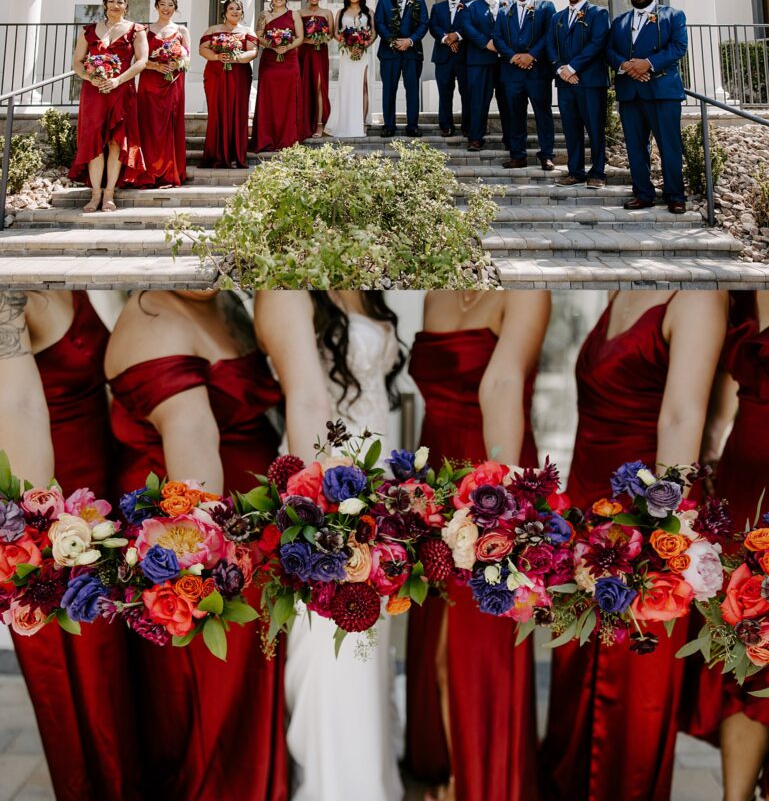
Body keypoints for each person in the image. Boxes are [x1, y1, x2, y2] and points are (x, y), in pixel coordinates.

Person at [542, 289, 728, 801]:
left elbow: (681, 420)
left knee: (630, 704)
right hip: (583, 526)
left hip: (640, 536)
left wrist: (656, 544)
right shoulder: (622, 286)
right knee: (571, 693)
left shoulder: (696, 297)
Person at [105, 290, 289, 801]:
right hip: (199, 550)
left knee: (246, 700)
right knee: (209, 707)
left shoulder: (224, 300)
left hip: (248, 540)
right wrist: (204, 570)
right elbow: (194, 448)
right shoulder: (152, 319)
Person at [256, 291, 406, 801]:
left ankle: (373, 782)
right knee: (336, 656)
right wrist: (325, 523)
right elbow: (306, 400)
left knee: (369, 653)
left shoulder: (362, 281)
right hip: (328, 495)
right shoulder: (286, 288)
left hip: (379, 495)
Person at [406, 290, 551, 801]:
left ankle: (482, 780)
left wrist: (499, 499)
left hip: (492, 463)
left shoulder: (529, 292)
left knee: (477, 642)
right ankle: (446, 767)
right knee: (437, 640)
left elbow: (504, 382)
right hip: (437, 474)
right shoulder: (434, 294)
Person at [0, 291, 141, 801]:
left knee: (116, 675)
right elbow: (16, 407)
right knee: (82, 682)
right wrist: (48, 540)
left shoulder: (66, 266)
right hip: (60, 526)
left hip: (103, 505)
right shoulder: (7, 291)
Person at [684, 290, 769, 801]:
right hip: (741, 491)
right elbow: (717, 385)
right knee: (746, 651)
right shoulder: (737, 288)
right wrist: (709, 454)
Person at [605, 0, 688, 213]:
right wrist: (627, 66)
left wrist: (648, 63)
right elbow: (609, 50)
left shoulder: (672, 15)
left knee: (669, 146)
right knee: (635, 147)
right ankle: (643, 193)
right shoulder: (620, 21)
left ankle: (675, 196)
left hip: (662, 91)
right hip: (630, 92)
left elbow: (678, 47)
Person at [68, 0, 148, 211]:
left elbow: (141, 61)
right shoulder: (89, 30)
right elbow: (77, 62)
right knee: (94, 142)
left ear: (126, 6)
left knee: (116, 142)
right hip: (94, 93)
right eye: (111, 1)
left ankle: (109, 194)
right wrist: (89, 78)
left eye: (120, 2)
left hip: (121, 91)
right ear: (104, 4)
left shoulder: (136, 30)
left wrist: (118, 80)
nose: (115, 6)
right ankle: (95, 194)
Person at [547, 0, 610, 188]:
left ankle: (598, 173)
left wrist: (573, 67)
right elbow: (550, 46)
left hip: (590, 82)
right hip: (565, 82)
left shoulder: (599, 13)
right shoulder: (557, 18)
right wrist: (560, 68)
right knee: (571, 129)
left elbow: (597, 43)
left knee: (594, 129)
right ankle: (575, 172)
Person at [493, 0, 556, 171]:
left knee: (543, 114)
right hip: (512, 73)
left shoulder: (545, 7)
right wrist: (513, 57)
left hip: (538, 71)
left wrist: (532, 56)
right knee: (514, 115)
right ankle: (518, 155)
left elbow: (550, 34)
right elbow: (497, 37)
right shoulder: (504, 11)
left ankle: (546, 155)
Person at [134, 0, 190, 187]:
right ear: (156, 6)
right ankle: (149, 171)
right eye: (162, 4)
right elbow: (137, 60)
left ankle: (169, 172)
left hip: (173, 82)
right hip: (150, 83)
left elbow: (188, 58)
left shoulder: (182, 31)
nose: (166, 8)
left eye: (170, 5)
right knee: (149, 126)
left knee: (171, 125)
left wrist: (178, 63)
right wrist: (156, 66)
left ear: (175, 8)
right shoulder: (145, 31)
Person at [199, 0, 257, 168]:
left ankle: (236, 155)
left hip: (239, 75)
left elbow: (253, 52)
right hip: (216, 75)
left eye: (238, 9)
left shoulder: (248, 31)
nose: (235, 12)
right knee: (217, 112)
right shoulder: (213, 29)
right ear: (225, 12)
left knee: (238, 112)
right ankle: (216, 154)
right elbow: (202, 49)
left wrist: (237, 58)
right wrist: (217, 56)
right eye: (231, 8)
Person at [374, 0, 428, 138]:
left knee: (412, 89)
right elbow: (379, 23)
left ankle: (412, 126)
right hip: (389, 52)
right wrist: (393, 41)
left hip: (412, 52)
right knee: (389, 89)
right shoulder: (383, 1)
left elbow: (424, 23)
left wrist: (410, 40)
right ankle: (389, 126)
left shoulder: (419, 0)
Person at [251, 0, 304, 153]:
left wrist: (286, 47)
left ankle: (288, 139)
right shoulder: (264, 15)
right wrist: (273, 46)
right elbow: (258, 37)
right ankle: (267, 138)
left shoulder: (294, 15)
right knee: (269, 99)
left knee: (288, 99)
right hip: (270, 61)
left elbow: (300, 37)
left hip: (289, 61)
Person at [459, 0, 508, 152]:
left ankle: (510, 139)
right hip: (479, 61)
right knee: (478, 101)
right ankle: (475, 138)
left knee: (508, 101)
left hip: (506, 62)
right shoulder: (470, 7)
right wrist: (486, 43)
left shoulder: (509, 5)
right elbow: (466, 27)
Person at [326, 0, 377, 139]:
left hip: (363, 53)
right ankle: (346, 121)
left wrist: (364, 45)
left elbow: (374, 32)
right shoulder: (341, 12)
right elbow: (335, 33)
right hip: (347, 54)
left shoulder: (369, 12)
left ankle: (362, 122)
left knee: (364, 86)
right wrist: (347, 44)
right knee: (347, 87)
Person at [429, 0, 471, 137]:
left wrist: (457, 36)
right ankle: (446, 126)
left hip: (464, 57)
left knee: (467, 93)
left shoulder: (470, 6)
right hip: (443, 57)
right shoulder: (437, 7)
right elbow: (433, 26)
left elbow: (471, 25)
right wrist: (447, 39)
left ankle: (467, 126)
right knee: (445, 93)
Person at [298, 0, 335, 139]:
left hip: (320, 53)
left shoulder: (327, 13)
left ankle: (320, 124)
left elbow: (331, 34)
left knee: (320, 86)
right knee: (306, 87)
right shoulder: (299, 13)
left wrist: (321, 38)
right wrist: (309, 40)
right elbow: (297, 36)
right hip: (305, 53)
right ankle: (304, 123)